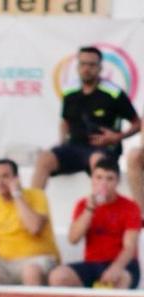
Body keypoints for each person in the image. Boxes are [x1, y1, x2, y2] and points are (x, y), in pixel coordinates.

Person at [32, 46, 140, 190]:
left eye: (91, 65)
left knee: (100, 166)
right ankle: (33, 209)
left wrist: (117, 137)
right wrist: (62, 142)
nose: (86, 69)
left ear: (100, 68)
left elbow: (137, 123)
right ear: (77, 67)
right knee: (44, 159)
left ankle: (97, 207)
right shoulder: (70, 92)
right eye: (82, 64)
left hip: (102, 149)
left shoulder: (113, 93)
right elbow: (65, 121)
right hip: (73, 146)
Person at [48, 158, 141, 289]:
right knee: (58, 276)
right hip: (93, 264)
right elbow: (73, 239)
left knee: (120, 278)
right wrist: (90, 209)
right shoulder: (83, 204)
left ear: (117, 182)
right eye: (99, 177)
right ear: (92, 179)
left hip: (123, 265)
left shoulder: (130, 207)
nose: (103, 183)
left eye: (109, 179)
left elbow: (130, 247)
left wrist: (116, 268)